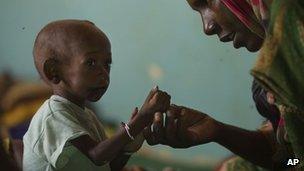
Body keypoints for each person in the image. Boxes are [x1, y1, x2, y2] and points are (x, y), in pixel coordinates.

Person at [143, 0, 303, 170]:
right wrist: (217, 131)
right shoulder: (280, 52)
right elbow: (290, 158)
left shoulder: (289, 13)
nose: (207, 27)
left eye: (207, 2)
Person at [23, 19, 171, 171]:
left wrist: (129, 147)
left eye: (107, 64)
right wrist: (140, 119)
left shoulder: (88, 117)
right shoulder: (53, 116)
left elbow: (107, 165)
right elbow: (96, 156)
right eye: (91, 63)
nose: (103, 73)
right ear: (54, 71)